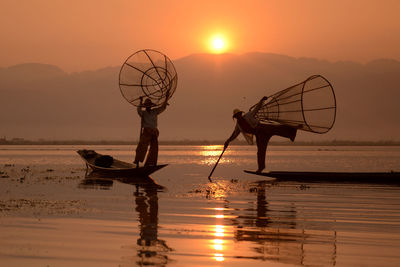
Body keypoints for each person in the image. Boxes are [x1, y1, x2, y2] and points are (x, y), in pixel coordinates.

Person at [224, 96, 297, 173]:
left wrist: (261, 101)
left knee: (277, 128)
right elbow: (234, 134)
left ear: (241, 114)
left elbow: (256, 109)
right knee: (260, 151)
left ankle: (292, 131)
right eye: (236, 116)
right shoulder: (238, 125)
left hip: (263, 128)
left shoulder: (248, 115)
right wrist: (228, 141)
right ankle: (261, 167)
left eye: (239, 114)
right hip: (259, 135)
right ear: (235, 117)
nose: (238, 116)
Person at [134, 93, 169, 167]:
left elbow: (163, 107)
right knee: (142, 146)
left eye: (149, 106)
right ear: (145, 107)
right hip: (146, 131)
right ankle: (137, 161)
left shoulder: (155, 111)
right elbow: (138, 110)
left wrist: (166, 98)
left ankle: (150, 163)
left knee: (154, 148)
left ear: (151, 106)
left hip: (154, 131)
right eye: (146, 106)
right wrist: (141, 101)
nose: (148, 107)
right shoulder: (143, 113)